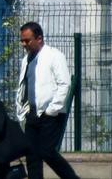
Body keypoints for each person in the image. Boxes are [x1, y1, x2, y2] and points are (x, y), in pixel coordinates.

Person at [16, 22, 80, 179]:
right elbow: (24, 85)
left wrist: (52, 110)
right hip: (32, 113)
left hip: (51, 114)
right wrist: (22, 110)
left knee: (46, 151)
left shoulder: (54, 56)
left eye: (27, 40)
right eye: (22, 40)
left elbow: (64, 84)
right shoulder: (26, 60)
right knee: (31, 154)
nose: (24, 44)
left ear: (39, 38)